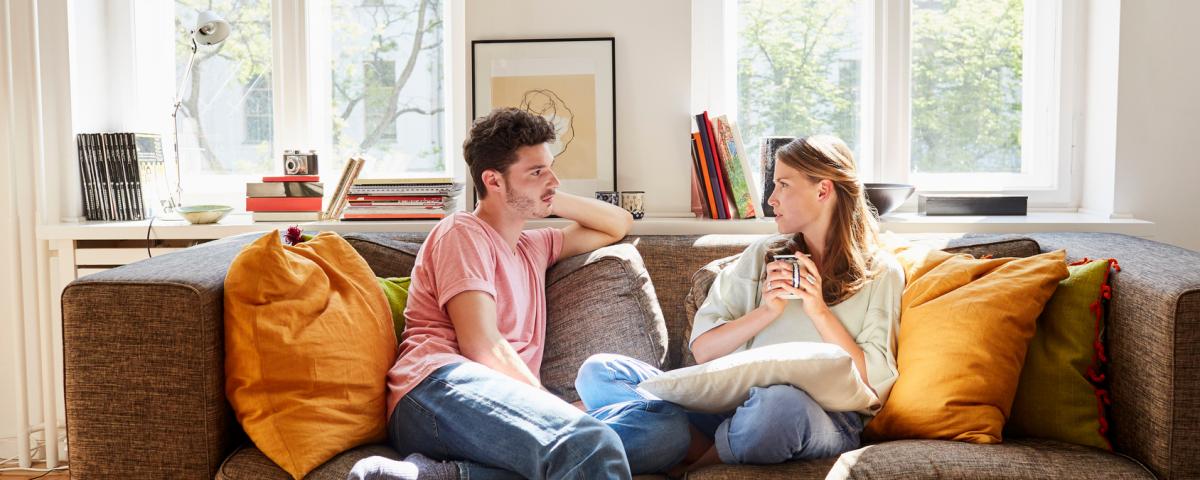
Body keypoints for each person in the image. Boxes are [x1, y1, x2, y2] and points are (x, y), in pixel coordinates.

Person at [574, 135, 904, 473]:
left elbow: (872, 386)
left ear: (823, 190)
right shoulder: (763, 256)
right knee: (600, 371)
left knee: (776, 407)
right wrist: (767, 311)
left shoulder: (879, 272)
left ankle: (681, 456)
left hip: (818, 416)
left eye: (783, 185)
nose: (772, 199)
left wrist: (818, 310)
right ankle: (686, 439)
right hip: (728, 406)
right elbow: (704, 351)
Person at [351, 108, 640, 480]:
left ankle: (435, 475)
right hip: (435, 391)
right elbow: (481, 344)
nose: (553, 179)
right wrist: (555, 411)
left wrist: (545, 192)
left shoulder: (534, 246)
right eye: (536, 172)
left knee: (662, 433)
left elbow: (618, 223)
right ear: (494, 181)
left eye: (550, 167)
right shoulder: (462, 232)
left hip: (496, 404)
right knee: (589, 444)